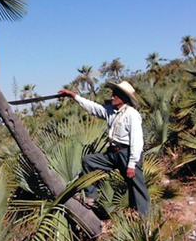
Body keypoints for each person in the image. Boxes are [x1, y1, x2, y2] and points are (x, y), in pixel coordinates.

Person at [58, 81, 150, 217]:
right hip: (113, 153)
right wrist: (73, 96)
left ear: (123, 98)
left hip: (127, 153)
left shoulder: (131, 114)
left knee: (137, 186)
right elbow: (92, 107)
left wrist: (132, 164)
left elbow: (137, 141)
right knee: (89, 161)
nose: (112, 97)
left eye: (115, 95)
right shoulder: (110, 111)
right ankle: (90, 197)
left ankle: (145, 219)